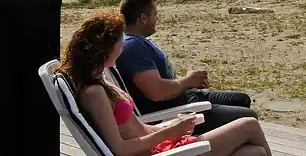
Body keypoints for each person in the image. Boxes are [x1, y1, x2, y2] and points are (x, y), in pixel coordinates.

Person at [58, 12, 272, 156]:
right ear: (105, 48)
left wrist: (173, 126)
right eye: (120, 45)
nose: (121, 50)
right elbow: (120, 149)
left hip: (159, 145)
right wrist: (170, 133)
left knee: (254, 153)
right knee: (249, 125)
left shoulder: (100, 81)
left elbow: (139, 128)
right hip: (158, 152)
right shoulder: (94, 93)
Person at [115, 0, 258, 135]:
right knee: (248, 116)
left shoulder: (136, 42)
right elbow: (157, 92)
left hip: (184, 98)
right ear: (143, 18)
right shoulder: (134, 47)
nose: (157, 18)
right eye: (155, 14)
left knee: (241, 99)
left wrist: (190, 81)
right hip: (177, 113)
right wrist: (188, 80)